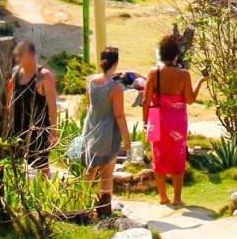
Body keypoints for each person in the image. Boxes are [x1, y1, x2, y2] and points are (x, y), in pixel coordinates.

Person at [142, 35, 208, 207]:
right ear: (176, 56)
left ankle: (163, 197)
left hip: (156, 120)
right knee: (178, 156)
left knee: (158, 156)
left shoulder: (153, 73)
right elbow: (189, 100)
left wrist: (145, 123)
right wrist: (201, 81)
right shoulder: (184, 75)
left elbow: (146, 101)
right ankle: (177, 198)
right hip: (177, 120)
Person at [77, 47, 132, 217]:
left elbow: (91, 105)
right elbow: (119, 115)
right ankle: (104, 211)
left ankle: (79, 206)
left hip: (91, 129)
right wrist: (128, 141)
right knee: (107, 172)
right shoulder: (115, 88)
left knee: (89, 170)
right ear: (116, 63)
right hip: (108, 134)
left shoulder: (91, 81)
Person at [6, 41, 58, 175]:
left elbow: (52, 106)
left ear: (32, 55)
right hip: (17, 127)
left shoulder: (44, 76)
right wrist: (8, 125)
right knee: (14, 164)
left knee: (41, 164)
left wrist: (53, 132)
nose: (17, 59)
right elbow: (10, 102)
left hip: (39, 127)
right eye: (16, 56)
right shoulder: (15, 73)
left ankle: (44, 193)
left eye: (21, 55)